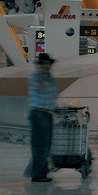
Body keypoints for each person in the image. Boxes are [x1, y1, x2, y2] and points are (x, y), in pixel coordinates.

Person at [26, 53, 59, 181]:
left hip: (48, 113)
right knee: (40, 144)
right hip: (38, 113)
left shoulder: (51, 77)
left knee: (46, 144)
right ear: (40, 65)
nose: (47, 66)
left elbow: (53, 95)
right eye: (44, 64)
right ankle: (38, 174)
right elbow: (40, 87)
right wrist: (40, 72)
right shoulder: (36, 77)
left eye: (48, 64)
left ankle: (41, 172)